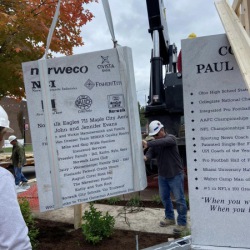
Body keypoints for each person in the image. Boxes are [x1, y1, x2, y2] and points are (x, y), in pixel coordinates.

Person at [142, 120, 187, 234]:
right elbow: (151, 152)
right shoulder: (156, 142)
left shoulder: (171, 139)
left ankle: (182, 223)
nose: (155, 137)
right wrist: (146, 157)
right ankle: (170, 218)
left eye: (156, 135)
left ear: (162, 130)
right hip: (163, 176)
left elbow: (160, 143)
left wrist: (148, 143)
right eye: (154, 136)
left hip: (175, 175)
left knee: (180, 200)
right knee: (165, 198)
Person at [0, 105, 32, 249]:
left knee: (18, 175)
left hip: (18, 163)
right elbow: (16, 245)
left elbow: (20, 156)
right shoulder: (2, 179)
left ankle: (20, 182)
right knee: (19, 176)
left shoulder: (18, 147)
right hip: (16, 163)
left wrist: (17, 164)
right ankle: (22, 182)